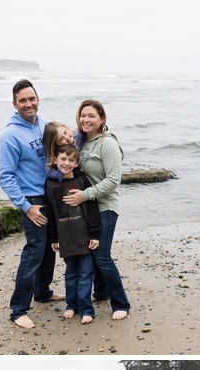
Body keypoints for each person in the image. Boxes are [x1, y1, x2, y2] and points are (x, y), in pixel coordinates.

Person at [0, 79, 61, 330]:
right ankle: (18, 310)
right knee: (33, 252)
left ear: (38, 99)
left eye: (31, 98)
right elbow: (6, 175)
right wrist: (25, 206)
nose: (28, 103)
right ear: (15, 104)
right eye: (23, 100)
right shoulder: (9, 136)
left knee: (49, 250)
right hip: (32, 201)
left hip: (49, 196)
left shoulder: (46, 125)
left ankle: (43, 292)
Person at [66, 99, 129, 321]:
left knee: (102, 256)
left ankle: (121, 303)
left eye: (91, 115)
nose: (86, 119)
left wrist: (84, 195)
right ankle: (100, 292)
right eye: (83, 115)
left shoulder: (107, 144)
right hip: (87, 209)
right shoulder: (80, 142)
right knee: (92, 254)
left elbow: (114, 180)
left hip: (105, 207)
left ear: (102, 119)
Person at [44, 143, 102, 323]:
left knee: (85, 274)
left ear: (76, 163)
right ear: (55, 160)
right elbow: (52, 213)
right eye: (63, 159)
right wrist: (53, 237)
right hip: (65, 237)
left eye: (71, 160)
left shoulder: (83, 181)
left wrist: (94, 234)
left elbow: (93, 209)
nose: (67, 163)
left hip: (84, 237)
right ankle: (72, 305)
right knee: (70, 274)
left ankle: (86, 309)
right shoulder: (50, 184)